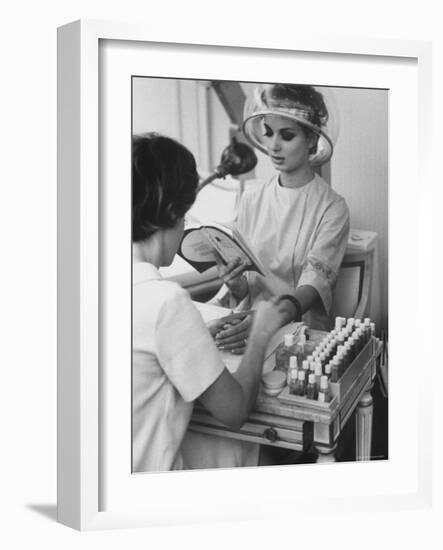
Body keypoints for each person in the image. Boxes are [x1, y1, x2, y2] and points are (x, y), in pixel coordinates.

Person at [132, 133, 287, 472]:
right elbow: (234, 411)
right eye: (185, 213)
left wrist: (197, 332)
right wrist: (260, 333)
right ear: (174, 213)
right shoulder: (166, 301)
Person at [213, 83, 350, 354]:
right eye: (268, 133)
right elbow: (247, 287)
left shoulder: (332, 208)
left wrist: (267, 321)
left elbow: (313, 285)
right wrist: (236, 284)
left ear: (311, 139)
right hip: (248, 329)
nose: (273, 145)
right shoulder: (252, 198)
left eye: (287, 135)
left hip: (300, 337)